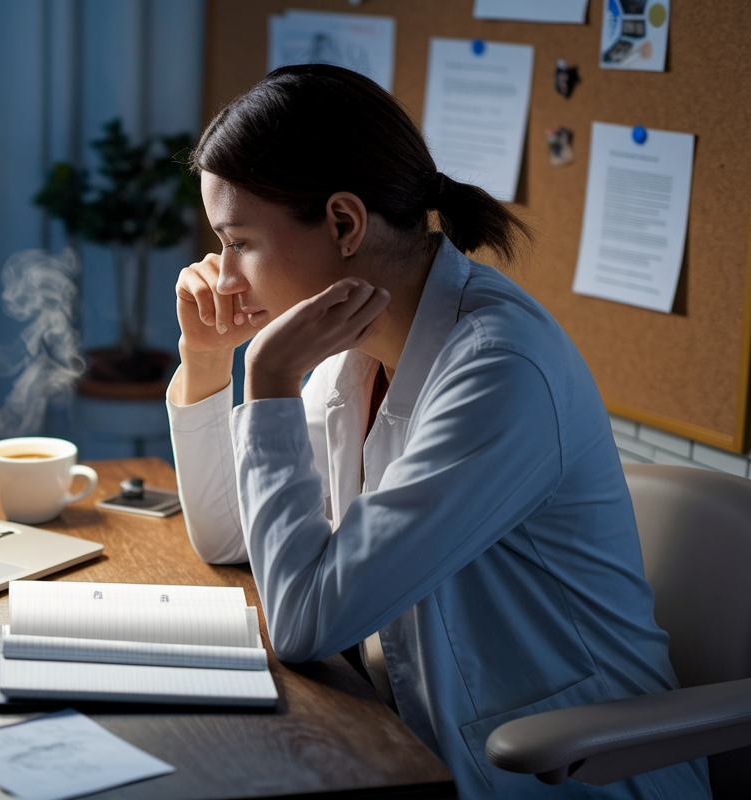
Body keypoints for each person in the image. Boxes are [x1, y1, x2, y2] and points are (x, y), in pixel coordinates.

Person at [167, 64, 710, 799]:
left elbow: (303, 621)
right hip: (416, 744)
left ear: (344, 224)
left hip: (571, 775)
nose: (223, 277)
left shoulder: (500, 371)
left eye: (238, 242)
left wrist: (266, 381)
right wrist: (208, 364)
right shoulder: (358, 351)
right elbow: (231, 538)